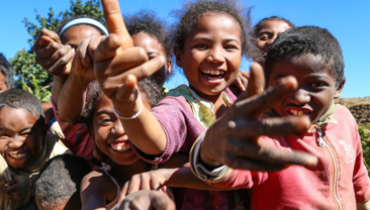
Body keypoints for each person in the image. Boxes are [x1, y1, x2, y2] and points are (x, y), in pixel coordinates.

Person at [93, 0, 252, 209]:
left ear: (241, 56)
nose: (216, 57)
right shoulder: (179, 105)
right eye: (202, 45)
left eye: (229, 46)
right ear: (178, 56)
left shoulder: (244, 96)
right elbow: (155, 140)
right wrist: (128, 106)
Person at [190, 26, 370, 210]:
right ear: (268, 85)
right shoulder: (265, 133)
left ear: (338, 87)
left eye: (316, 85)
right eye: (283, 85)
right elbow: (236, 172)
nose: (299, 98)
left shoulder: (344, 119)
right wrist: (212, 152)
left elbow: (358, 177)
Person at [80, 79, 186, 210]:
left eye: (132, 118)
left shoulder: (172, 166)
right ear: (92, 130)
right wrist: (122, 204)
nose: (119, 130)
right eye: (105, 120)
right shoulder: (96, 182)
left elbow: (214, 179)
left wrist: (164, 176)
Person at [33, 15, 108, 165]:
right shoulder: (65, 95)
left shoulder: (120, 91)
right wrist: (61, 75)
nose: (83, 55)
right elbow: (66, 109)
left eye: (92, 47)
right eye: (73, 49)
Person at [0, 89, 70, 210]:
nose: (16, 144)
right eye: (4, 135)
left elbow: (69, 182)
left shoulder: (57, 152)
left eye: (26, 134)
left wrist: (30, 186)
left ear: (43, 132)